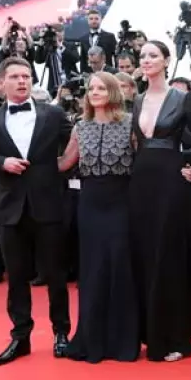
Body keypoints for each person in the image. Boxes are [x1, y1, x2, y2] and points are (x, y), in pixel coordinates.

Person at [0, 56, 72, 366]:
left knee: (55, 275)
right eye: (15, 76)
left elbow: (78, 142)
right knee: (17, 278)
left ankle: (61, 333)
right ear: (2, 83)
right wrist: (2, 163)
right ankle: (20, 336)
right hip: (10, 208)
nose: (22, 81)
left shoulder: (53, 115)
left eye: (26, 76)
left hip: (49, 205)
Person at [129, 40, 191, 362]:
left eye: (153, 55)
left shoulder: (182, 98)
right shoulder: (138, 99)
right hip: (141, 184)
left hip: (171, 184)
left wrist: (190, 167)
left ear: (167, 61)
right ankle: (151, 331)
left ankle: (175, 337)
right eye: (142, 56)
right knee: (146, 254)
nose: (147, 60)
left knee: (167, 256)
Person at [57, 72, 139, 363]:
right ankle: (91, 339)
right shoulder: (80, 126)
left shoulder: (130, 123)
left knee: (119, 267)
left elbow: (144, 163)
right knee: (92, 270)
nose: (95, 91)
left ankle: (122, 341)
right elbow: (66, 163)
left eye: (101, 87)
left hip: (121, 203)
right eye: (91, 88)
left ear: (113, 91)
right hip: (89, 204)